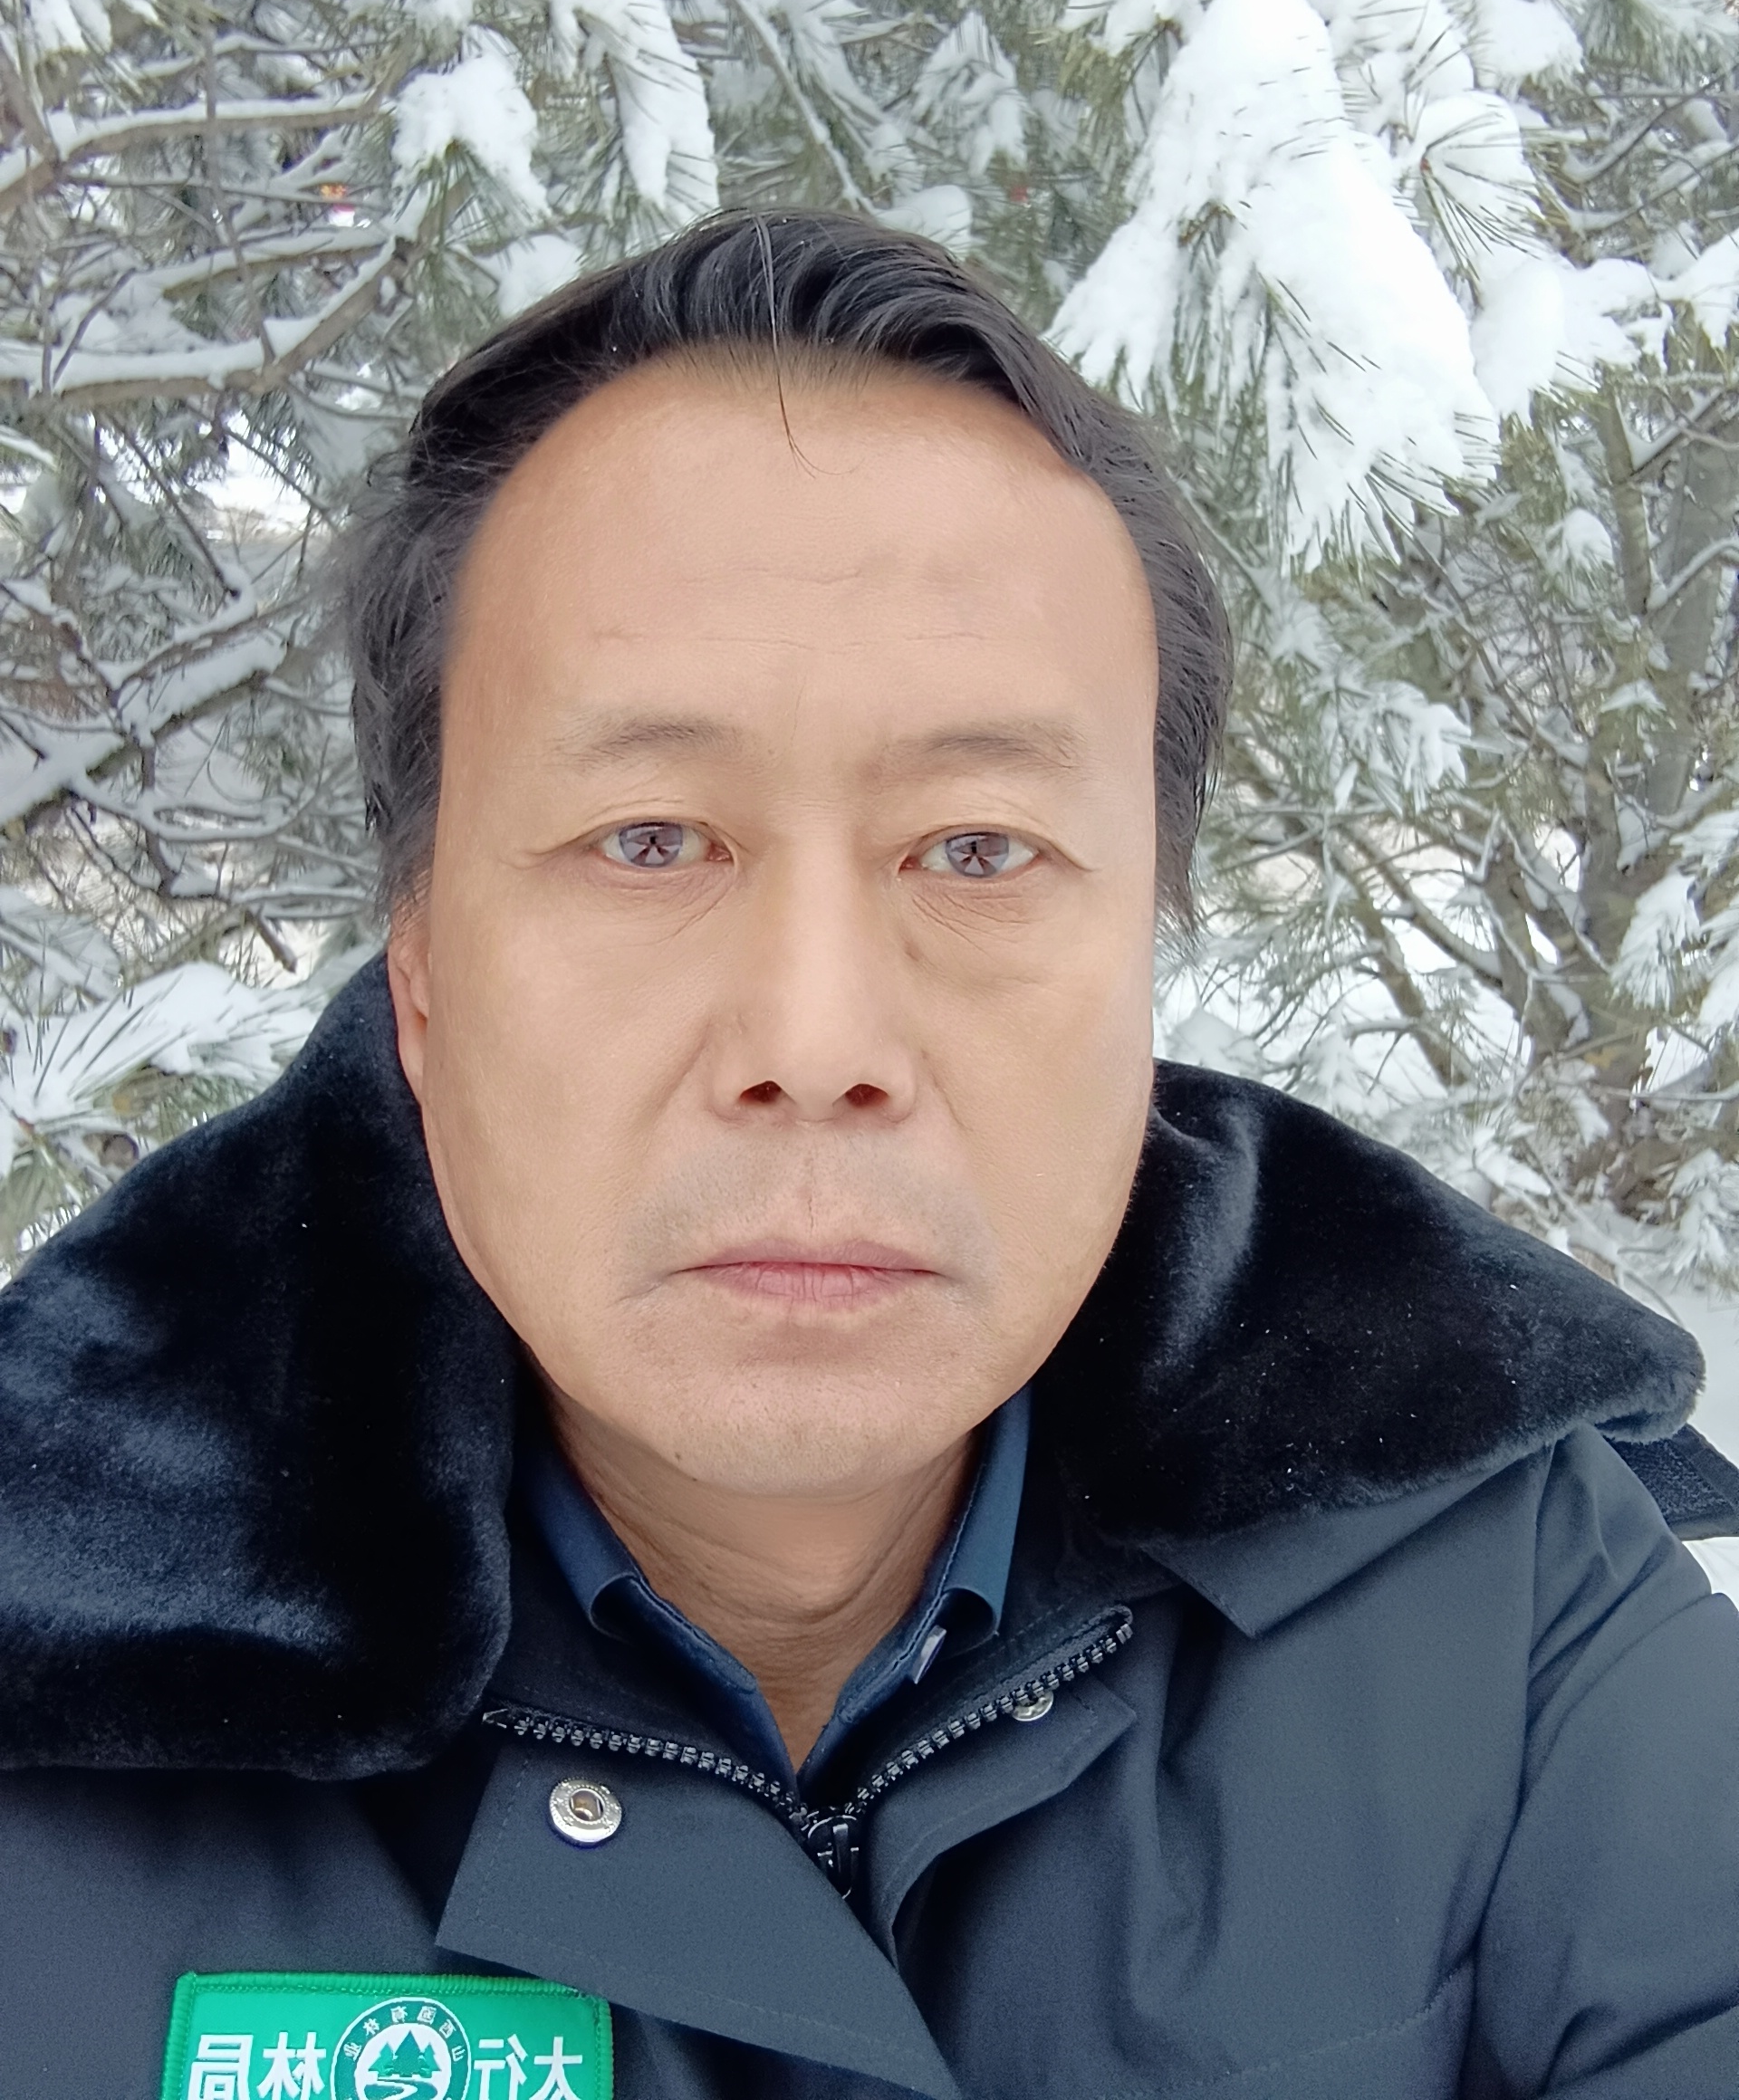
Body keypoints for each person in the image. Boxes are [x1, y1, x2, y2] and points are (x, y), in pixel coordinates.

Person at [1, 211, 1736, 2100]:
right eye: (650, 839)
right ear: (421, 969)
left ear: (1145, 949)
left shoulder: (1498, 1594)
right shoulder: (59, 1664)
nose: (817, 1043)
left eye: (978, 848)